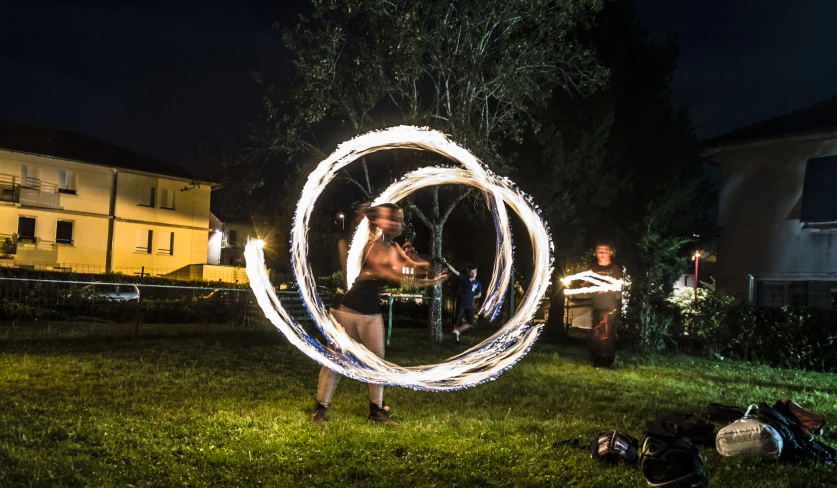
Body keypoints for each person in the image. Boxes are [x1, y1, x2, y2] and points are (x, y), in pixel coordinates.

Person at [313, 203, 443, 424]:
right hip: (347, 311)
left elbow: (407, 273)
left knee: (377, 363)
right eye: (397, 220)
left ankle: (376, 410)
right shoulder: (372, 246)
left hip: (371, 312)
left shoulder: (391, 247)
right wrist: (414, 266)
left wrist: (425, 272)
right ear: (382, 222)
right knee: (335, 360)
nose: (401, 224)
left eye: (402, 220)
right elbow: (393, 272)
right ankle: (320, 410)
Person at [587, 240, 623, 369]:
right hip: (597, 306)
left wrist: (607, 288)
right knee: (596, 333)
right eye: (599, 251)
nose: (602, 253)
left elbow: (618, 285)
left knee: (607, 334)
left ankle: (606, 360)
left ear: (611, 252)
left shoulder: (614, 269)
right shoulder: (592, 268)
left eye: (605, 251)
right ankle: (596, 358)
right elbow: (586, 282)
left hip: (609, 307)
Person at [444, 262, 482, 343]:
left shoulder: (478, 283)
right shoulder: (464, 278)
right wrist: (446, 263)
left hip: (469, 304)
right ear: (468, 273)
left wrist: (473, 297)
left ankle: (456, 331)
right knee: (457, 320)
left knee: (471, 322)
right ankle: (456, 338)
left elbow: (479, 294)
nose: (474, 274)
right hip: (461, 303)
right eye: (472, 272)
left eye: (475, 272)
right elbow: (455, 271)